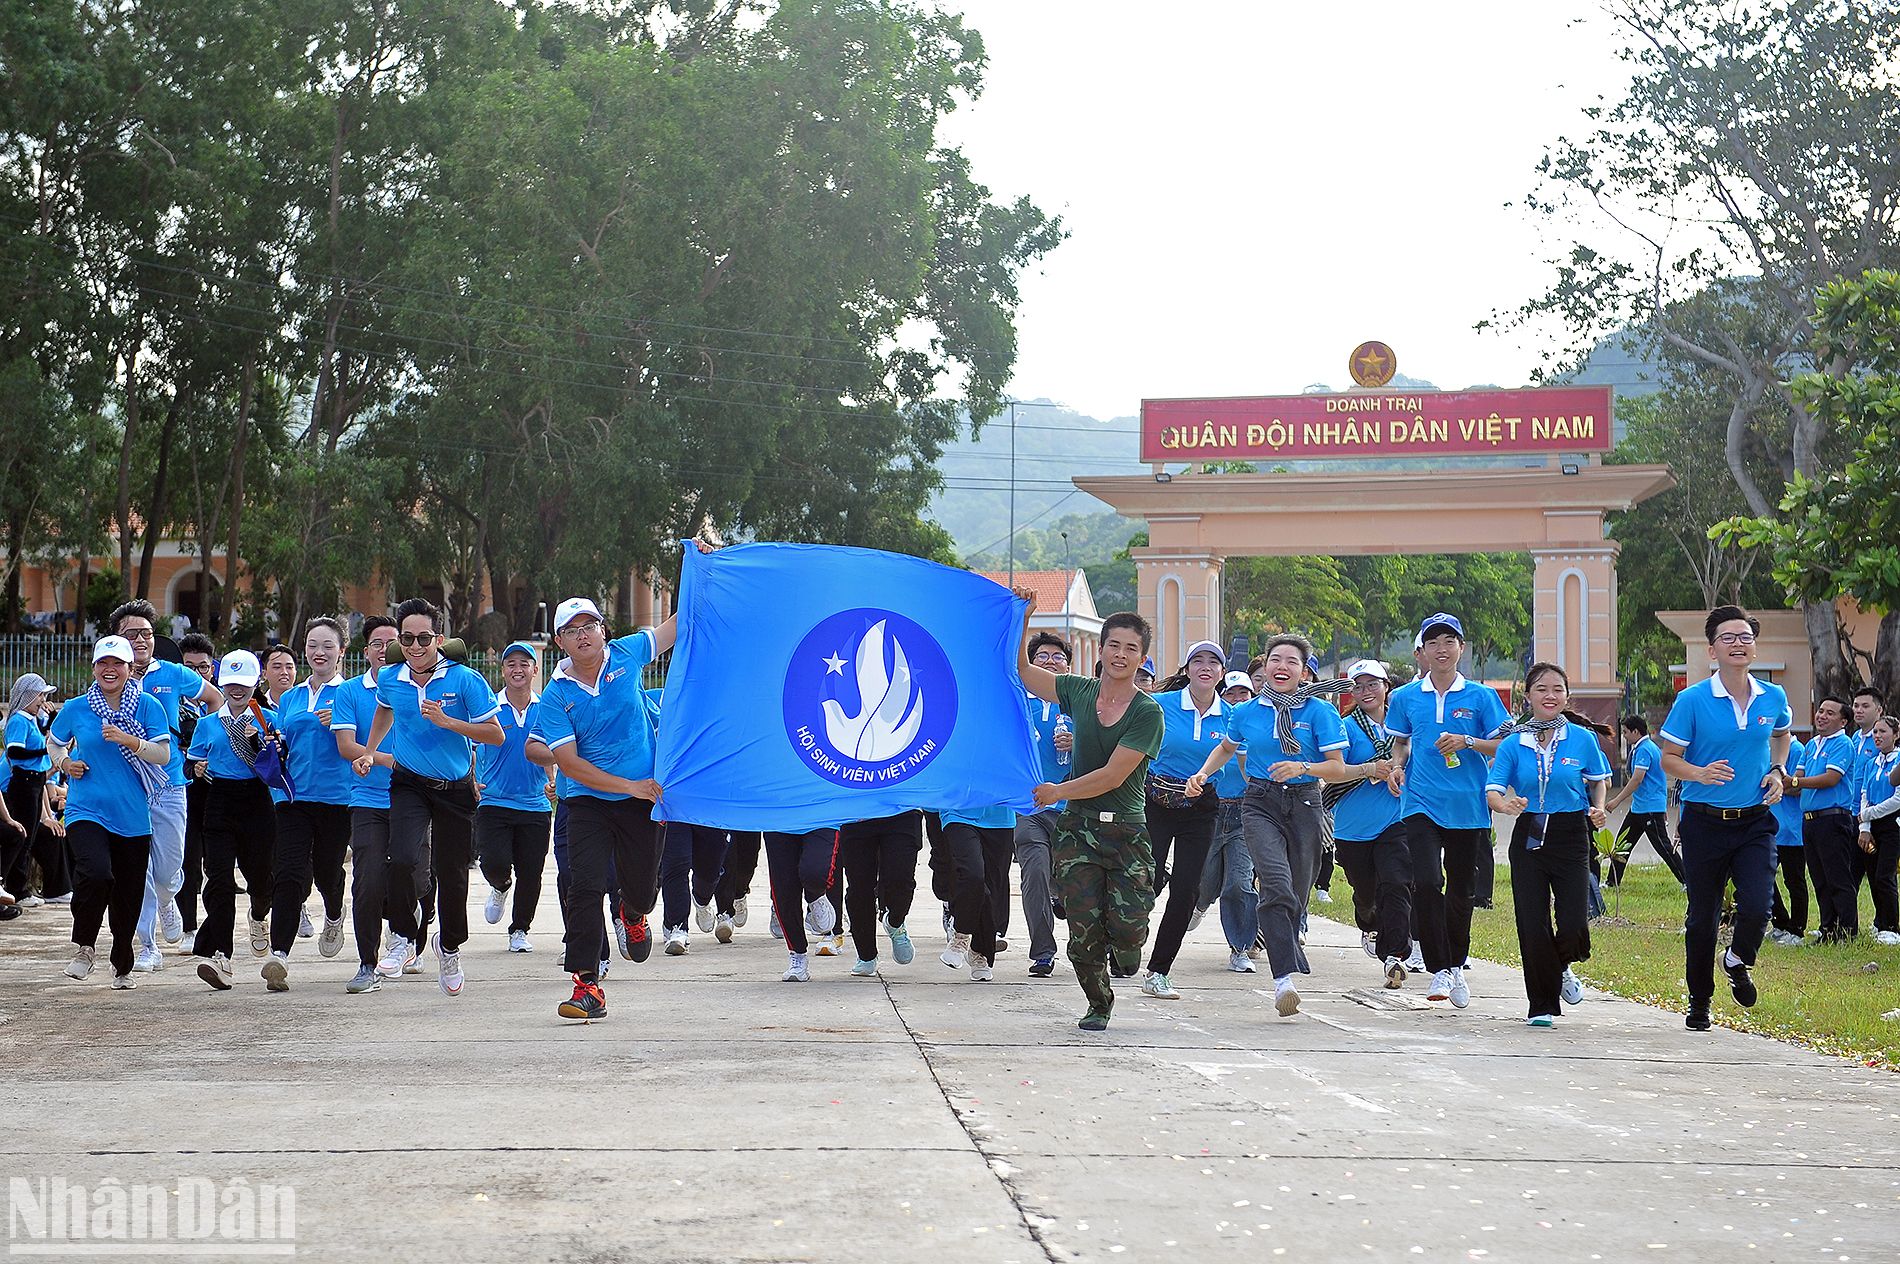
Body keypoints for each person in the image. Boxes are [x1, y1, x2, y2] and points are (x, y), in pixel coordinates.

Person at [536, 590, 690, 1019]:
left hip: (642, 799)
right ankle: (587, 985)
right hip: (587, 800)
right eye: (571, 630)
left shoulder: (628, 653)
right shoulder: (554, 697)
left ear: (604, 631)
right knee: (582, 886)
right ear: (560, 641)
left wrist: (699, 565)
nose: (583, 635)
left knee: (641, 886)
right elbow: (569, 763)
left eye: (589, 626)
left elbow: (675, 625)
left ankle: (633, 912)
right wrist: (629, 785)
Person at [1016, 595, 1164, 1033]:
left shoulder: (1147, 712)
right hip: (1077, 830)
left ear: (1142, 657)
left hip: (1126, 834)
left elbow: (1113, 776)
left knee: (1129, 930)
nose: (1120, 655)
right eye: (1113, 645)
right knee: (1083, 929)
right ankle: (1098, 1002)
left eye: (1131, 648)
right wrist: (1023, 621)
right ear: (1100, 650)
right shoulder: (1079, 691)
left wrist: (1056, 790)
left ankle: (1127, 948)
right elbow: (1025, 675)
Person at [1186, 636, 1348, 1017]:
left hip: (1306, 802)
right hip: (1258, 802)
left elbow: (1338, 768)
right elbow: (1227, 747)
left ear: (1304, 671)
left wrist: (1302, 767)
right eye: (1276, 659)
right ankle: (1283, 980)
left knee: (1296, 891)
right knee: (1274, 884)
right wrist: (1203, 773)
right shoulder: (1246, 712)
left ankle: (1289, 942)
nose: (1282, 667)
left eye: (1292, 661)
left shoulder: (1320, 712)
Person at [356, 598, 504, 998]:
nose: (416, 646)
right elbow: (385, 712)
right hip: (409, 783)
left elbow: (495, 734)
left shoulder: (465, 680)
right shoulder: (390, 679)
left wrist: (448, 722)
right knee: (401, 858)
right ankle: (403, 935)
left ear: (439, 638)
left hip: (455, 790)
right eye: (407, 638)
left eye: (424, 638)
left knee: (452, 876)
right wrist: (370, 750)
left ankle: (449, 946)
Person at [1659, 604, 1792, 1032]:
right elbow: (1669, 758)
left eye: (1746, 637)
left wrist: (1777, 769)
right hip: (1705, 822)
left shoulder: (1773, 697)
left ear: (1754, 647)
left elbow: (1783, 735)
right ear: (1712, 650)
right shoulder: (1692, 700)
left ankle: (1737, 960)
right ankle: (1700, 1000)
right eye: (1728, 638)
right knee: (1703, 916)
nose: (1739, 644)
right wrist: (1699, 773)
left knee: (1758, 905)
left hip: (1754, 821)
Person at [1385, 613, 1509, 1010]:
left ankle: (1455, 964)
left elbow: (1503, 747)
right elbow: (1401, 744)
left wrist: (1467, 740)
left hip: (1468, 806)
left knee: (1461, 890)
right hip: (1420, 801)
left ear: (1461, 648)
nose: (1442, 649)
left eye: (1450, 641)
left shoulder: (1482, 697)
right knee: (1425, 881)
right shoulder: (1405, 697)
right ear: (1421, 651)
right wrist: (1397, 768)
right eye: (1434, 642)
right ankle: (1439, 967)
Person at [1485, 663, 1612, 1026]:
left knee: (1574, 921)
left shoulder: (1582, 739)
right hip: (1529, 831)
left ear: (1567, 696)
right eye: (1541, 689)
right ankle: (1541, 1005)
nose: (1550, 695)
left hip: (1571, 831)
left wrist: (1599, 808)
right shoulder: (1514, 742)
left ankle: (1560, 966)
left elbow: (1598, 780)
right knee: (1531, 920)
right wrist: (1503, 804)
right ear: (1528, 696)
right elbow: (1493, 788)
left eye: (1557, 689)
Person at [47, 636, 173, 986]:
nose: (110, 670)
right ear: (94, 669)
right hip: (85, 808)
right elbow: (54, 742)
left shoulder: (147, 706)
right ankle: (85, 946)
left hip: (132, 816)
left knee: (128, 894)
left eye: (117, 663)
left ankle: (122, 960)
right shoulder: (76, 707)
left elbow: (163, 754)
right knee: (95, 872)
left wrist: (129, 740)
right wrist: (65, 762)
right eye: (103, 663)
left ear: (130, 668)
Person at [107, 600, 221, 972]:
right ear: (116, 639)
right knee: (135, 867)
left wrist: (205, 743)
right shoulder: (108, 681)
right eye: (131, 634)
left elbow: (215, 699)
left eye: (146, 633)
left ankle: (169, 898)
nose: (140, 640)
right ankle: (147, 946)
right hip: (126, 786)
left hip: (170, 783)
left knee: (169, 867)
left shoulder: (173, 674)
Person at [259, 616, 355, 991]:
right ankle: (278, 955)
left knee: (327, 872)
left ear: (341, 652)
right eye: (313, 645)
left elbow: (365, 739)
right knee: (288, 872)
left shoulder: (351, 695)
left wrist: (343, 725)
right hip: (292, 796)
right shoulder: (292, 696)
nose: (319, 652)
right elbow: (283, 738)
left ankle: (334, 912)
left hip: (336, 797)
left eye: (327, 645)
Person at [332, 616, 427, 991]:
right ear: (366, 651)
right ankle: (367, 964)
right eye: (377, 644)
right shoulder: (351, 693)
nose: (386, 651)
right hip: (368, 797)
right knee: (368, 880)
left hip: (417, 796)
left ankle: (406, 931)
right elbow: (345, 745)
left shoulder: (418, 687)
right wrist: (382, 757)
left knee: (416, 879)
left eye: (395, 642)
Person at [1137, 641, 1233, 999]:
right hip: (1157, 802)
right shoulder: (1160, 705)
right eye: (1198, 661)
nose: (1205, 667)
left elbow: (1240, 758)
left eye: (1213, 662)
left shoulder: (1231, 717)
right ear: (1186, 669)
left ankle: (1159, 970)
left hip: (1201, 808)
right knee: (1145, 878)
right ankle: (1126, 939)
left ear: (1221, 673)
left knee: (1186, 889)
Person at [184, 651, 278, 990]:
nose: (236, 691)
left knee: (260, 879)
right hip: (219, 802)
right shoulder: (207, 723)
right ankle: (221, 954)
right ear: (221, 684)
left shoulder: (268, 718)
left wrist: (257, 739)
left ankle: (258, 915)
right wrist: (194, 769)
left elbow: (277, 764)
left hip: (257, 802)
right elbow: (190, 763)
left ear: (255, 684)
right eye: (230, 684)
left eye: (243, 684)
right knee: (219, 879)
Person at [1320, 659, 1411, 990]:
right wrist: (1371, 769)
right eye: (1357, 686)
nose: (1366, 691)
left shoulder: (1404, 726)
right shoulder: (1344, 727)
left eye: (1373, 684)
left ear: (1386, 687)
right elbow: (1334, 770)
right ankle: (1368, 923)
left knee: (1397, 882)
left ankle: (1396, 955)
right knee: (1367, 894)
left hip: (1396, 820)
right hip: (1352, 827)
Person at [476, 641, 552, 956]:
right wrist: (471, 779)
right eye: (511, 664)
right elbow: (467, 744)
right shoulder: (487, 708)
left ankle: (519, 929)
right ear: (503, 670)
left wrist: (553, 780)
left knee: (531, 871)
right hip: (493, 801)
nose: (517, 670)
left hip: (535, 804)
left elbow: (554, 747)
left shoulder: (547, 708)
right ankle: (500, 885)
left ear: (535, 670)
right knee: (493, 862)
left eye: (524, 663)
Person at [1014, 631, 1074, 977]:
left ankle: (1064, 903)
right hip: (1031, 807)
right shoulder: (1018, 702)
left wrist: (1076, 742)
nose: (1050, 661)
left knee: (1072, 881)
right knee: (1033, 873)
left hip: (1073, 808)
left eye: (1057, 657)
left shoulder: (1081, 703)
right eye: (1042, 657)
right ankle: (1043, 952)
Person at [1788, 695, 1859, 942]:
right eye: (1820, 711)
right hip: (1810, 820)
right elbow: (1795, 780)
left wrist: (1795, 781)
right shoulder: (1811, 745)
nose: (1822, 716)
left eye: (1830, 713)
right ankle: (1828, 929)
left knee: (1837, 877)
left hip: (1832, 819)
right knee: (1819, 878)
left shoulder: (1842, 744)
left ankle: (1847, 931)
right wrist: (1778, 782)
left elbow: (1830, 779)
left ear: (1843, 721)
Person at [4, 675, 66, 906]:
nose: (43, 700)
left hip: (35, 780)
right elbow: (16, 753)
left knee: (29, 837)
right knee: (24, 836)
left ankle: (23, 887)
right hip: (24, 781)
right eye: (39, 695)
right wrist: (44, 753)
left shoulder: (30, 720)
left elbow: (41, 735)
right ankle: (18, 889)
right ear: (27, 696)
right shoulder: (19, 721)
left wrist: (50, 720)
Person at [174, 633, 218, 950]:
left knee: (216, 865)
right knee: (188, 861)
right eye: (189, 667)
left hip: (218, 794)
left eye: (202, 667)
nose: (196, 674)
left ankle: (216, 926)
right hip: (185, 790)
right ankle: (188, 927)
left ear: (211, 670)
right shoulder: (170, 706)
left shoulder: (224, 703)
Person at [1602, 715, 1684, 887]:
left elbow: (1637, 779)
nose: (1623, 735)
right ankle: (1612, 882)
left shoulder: (1645, 749)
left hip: (1649, 808)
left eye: (1625, 732)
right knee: (1623, 844)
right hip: (1639, 807)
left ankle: (1687, 881)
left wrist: (1616, 800)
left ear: (1635, 731)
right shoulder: (1645, 748)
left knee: (1663, 847)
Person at [838, 810, 921, 976]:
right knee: (859, 887)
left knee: (900, 879)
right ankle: (866, 955)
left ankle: (895, 923)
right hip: (856, 813)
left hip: (902, 809)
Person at [936, 806, 1010, 982]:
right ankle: (960, 936)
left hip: (1000, 817)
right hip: (958, 813)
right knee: (972, 875)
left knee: (992, 891)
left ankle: (979, 952)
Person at [1853, 715, 1900, 944]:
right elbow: (1864, 794)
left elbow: (1897, 800)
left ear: (1896, 735)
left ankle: (1892, 926)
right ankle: (1879, 922)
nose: (1878, 736)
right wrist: (1864, 826)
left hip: (1893, 825)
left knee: (1885, 875)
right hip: (1872, 826)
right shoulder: (1872, 763)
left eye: (1883, 732)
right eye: (1875, 732)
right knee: (1872, 875)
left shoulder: (1898, 760)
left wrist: (1867, 815)